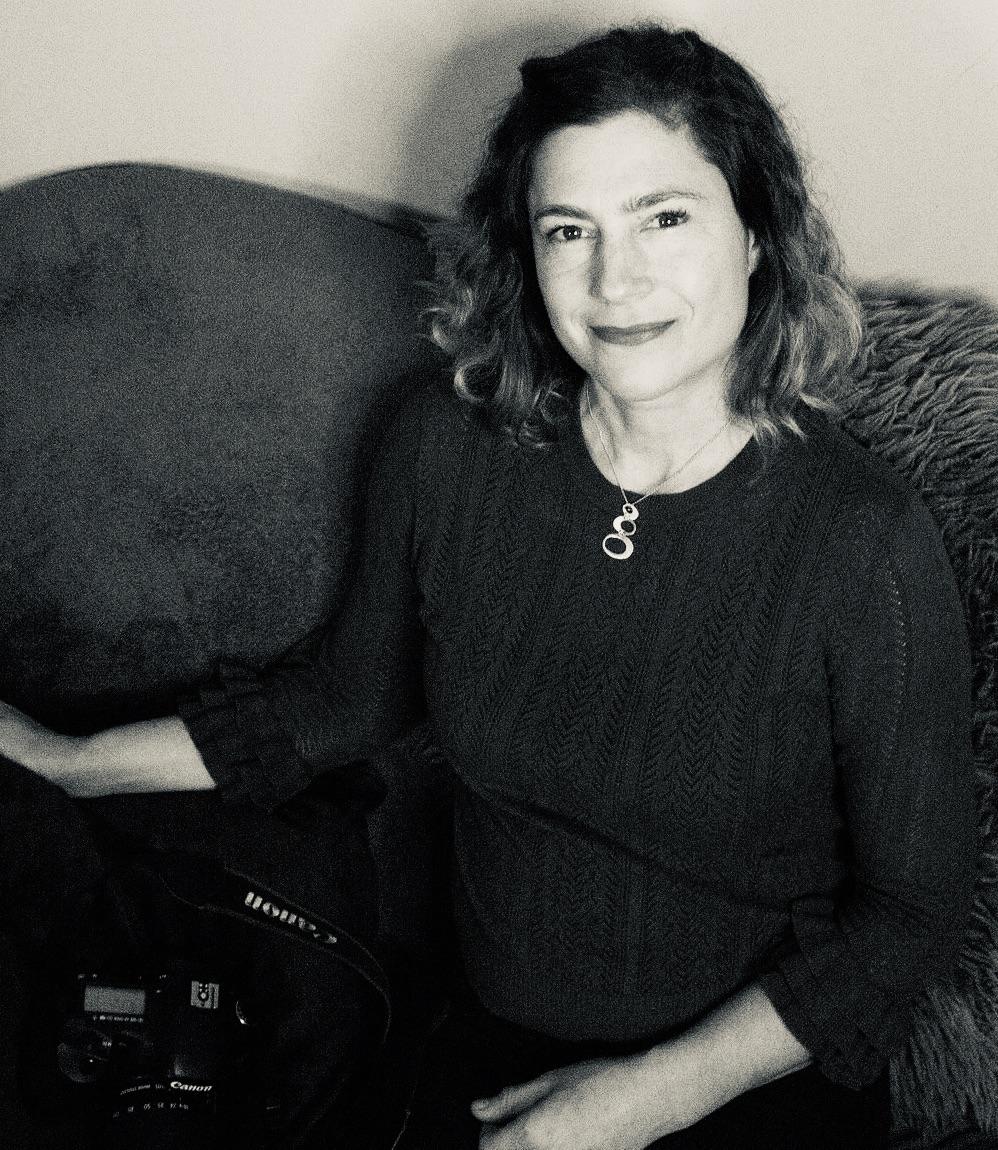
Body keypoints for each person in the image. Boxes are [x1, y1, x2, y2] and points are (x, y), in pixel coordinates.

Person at [0, 23, 977, 1150]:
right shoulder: (444, 449)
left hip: (742, 1080)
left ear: (755, 233)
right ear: (528, 253)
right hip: (485, 1041)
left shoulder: (860, 543)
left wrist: (643, 1098)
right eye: (571, 230)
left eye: (664, 217)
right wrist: (64, 762)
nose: (616, 280)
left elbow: (906, 922)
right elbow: (338, 705)